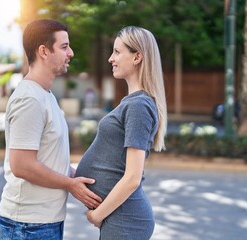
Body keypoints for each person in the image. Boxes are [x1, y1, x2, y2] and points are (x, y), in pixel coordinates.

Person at [0, 19, 102, 240]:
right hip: (27, 225)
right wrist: (70, 184)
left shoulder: (45, 95)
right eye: (64, 47)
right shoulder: (29, 99)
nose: (70, 52)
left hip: (42, 223)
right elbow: (22, 165)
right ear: (44, 51)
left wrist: (81, 178)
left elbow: (49, 158)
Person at [75, 26, 167, 240]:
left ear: (137, 57)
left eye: (117, 52)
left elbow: (133, 177)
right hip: (121, 218)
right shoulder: (132, 103)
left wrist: (97, 215)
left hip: (126, 220)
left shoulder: (138, 106)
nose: (110, 59)